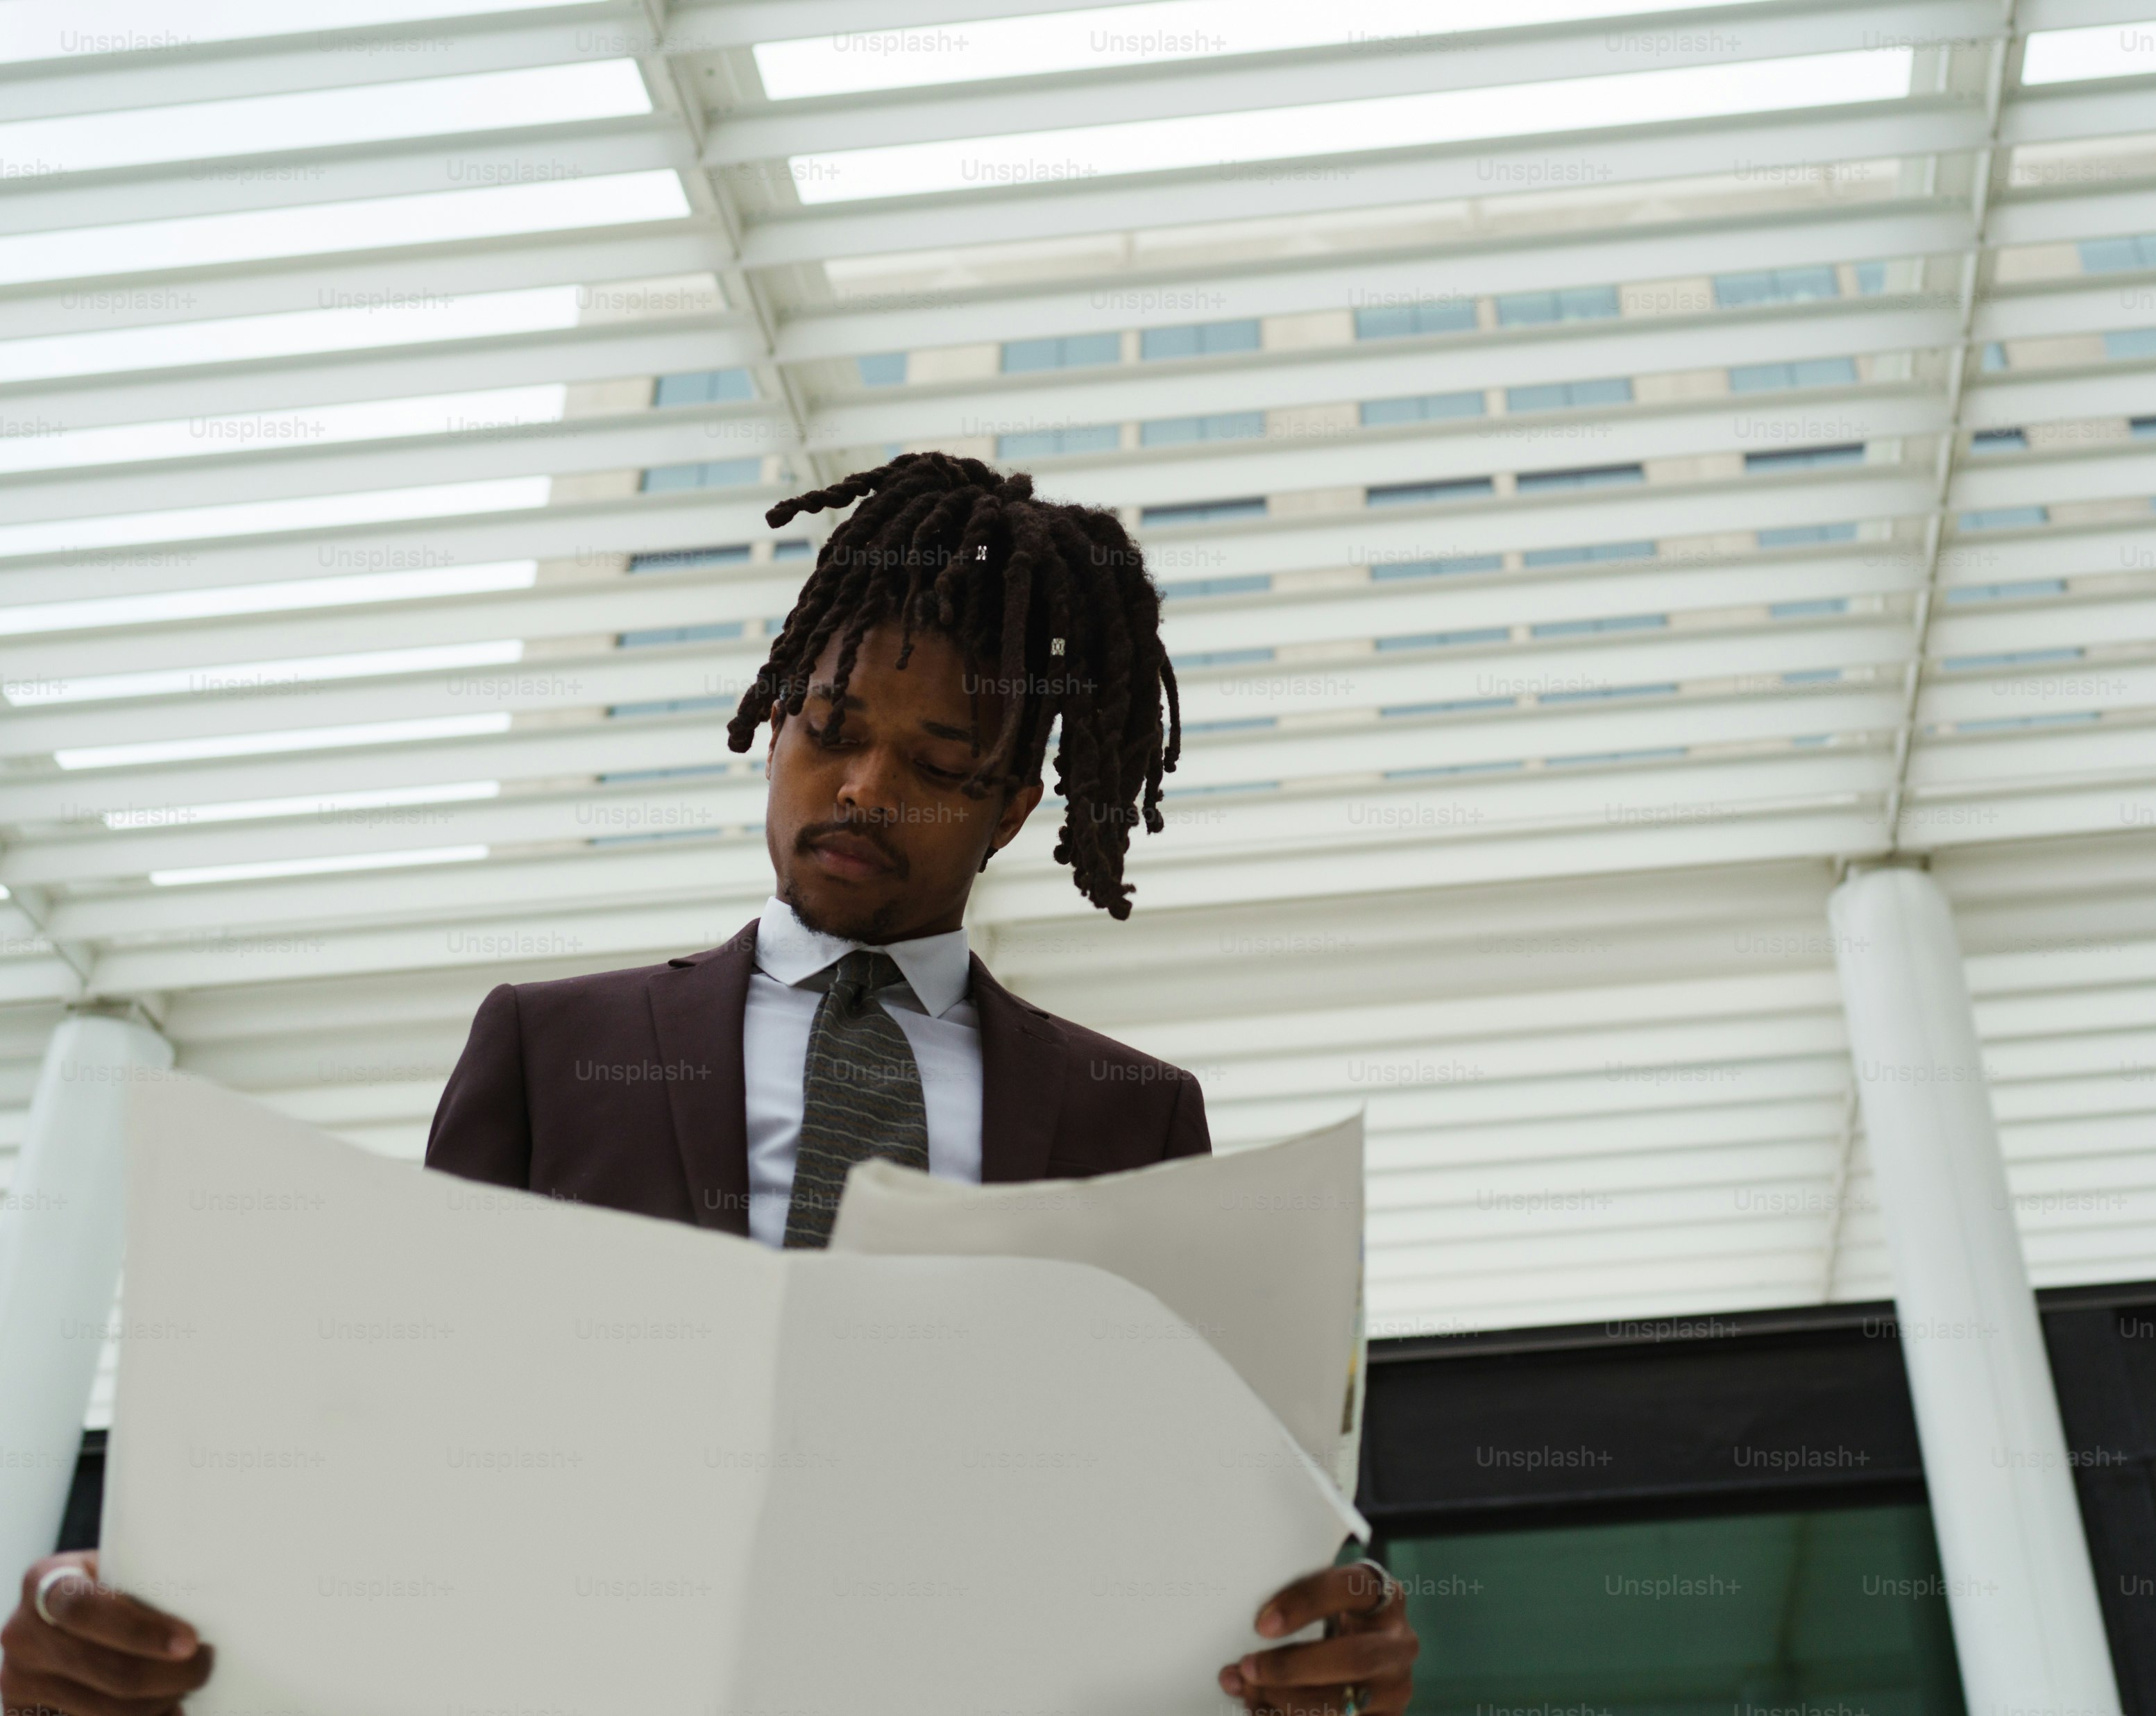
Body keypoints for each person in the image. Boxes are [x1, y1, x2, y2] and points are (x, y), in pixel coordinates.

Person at [3, 452, 1419, 1716]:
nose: (863, 787)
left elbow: (1200, 1508)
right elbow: (409, 1431)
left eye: (937, 762)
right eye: (830, 729)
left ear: (1009, 811)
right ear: (777, 723)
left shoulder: (1131, 1113)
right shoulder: (550, 1048)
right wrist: (145, 1607)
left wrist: (1322, 1630)